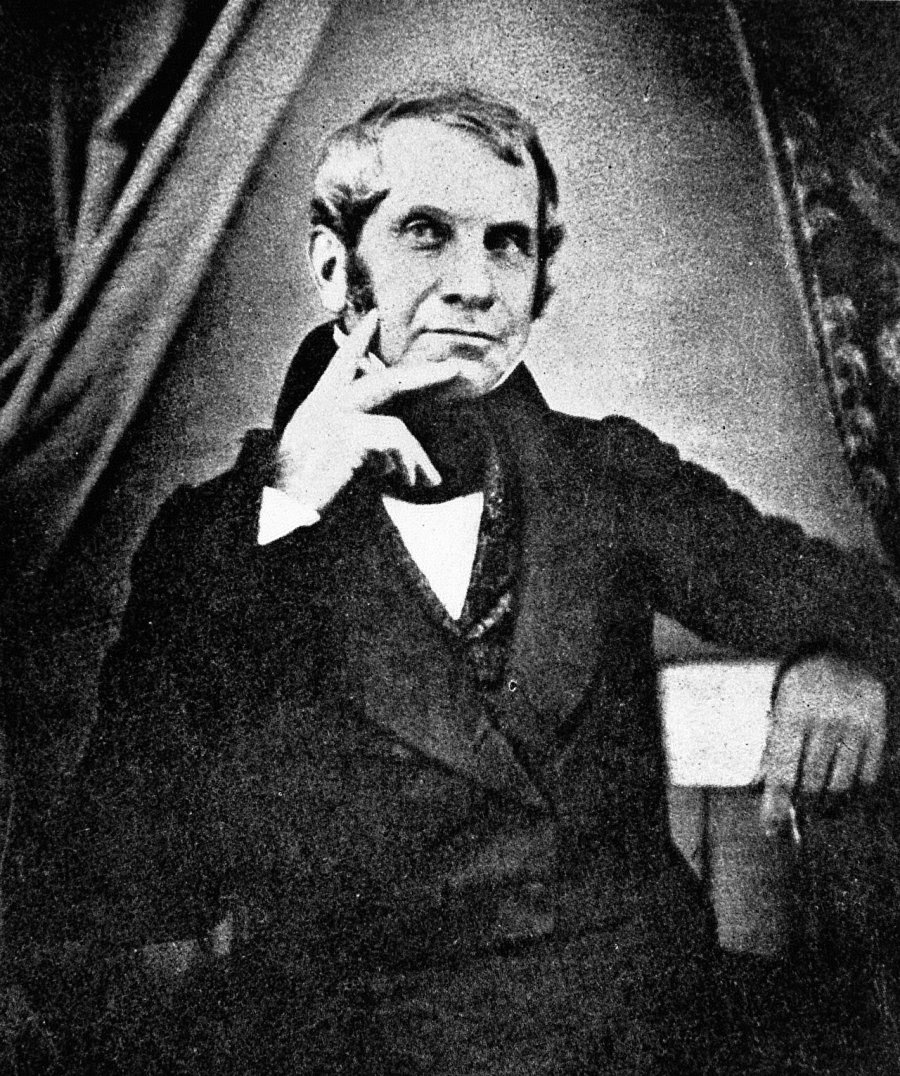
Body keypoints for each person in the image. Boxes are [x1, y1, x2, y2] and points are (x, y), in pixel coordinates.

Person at [25, 88, 900, 1073]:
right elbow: (117, 886)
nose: (475, 285)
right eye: (426, 233)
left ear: (539, 285)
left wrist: (837, 662)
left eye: (507, 245)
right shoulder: (217, 539)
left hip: (642, 1034)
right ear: (334, 266)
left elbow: (861, 597)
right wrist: (290, 500)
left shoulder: (609, 476)